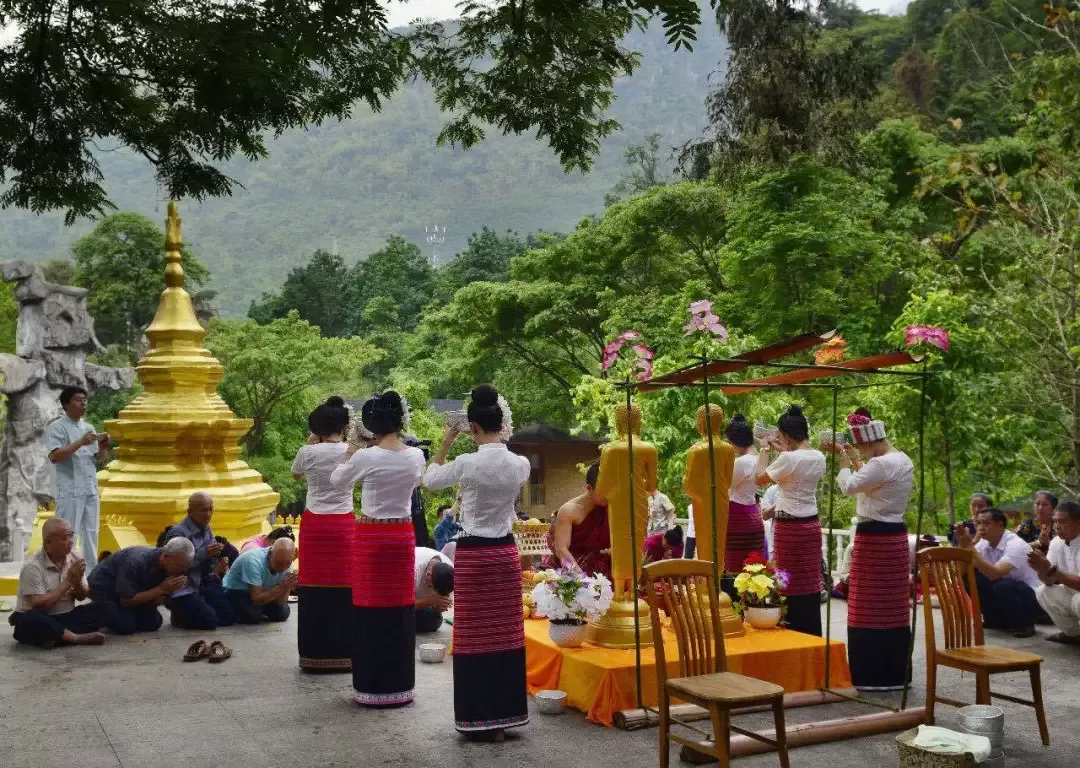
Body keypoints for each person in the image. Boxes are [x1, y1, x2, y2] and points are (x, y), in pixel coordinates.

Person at [424, 383, 531, 740]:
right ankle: (505, 714)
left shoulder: (467, 463)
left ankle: (479, 717)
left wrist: (446, 440)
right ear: (502, 424)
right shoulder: (521, 464)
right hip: (504, 555)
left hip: (472, 556)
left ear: (471, 427)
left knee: (474, 636)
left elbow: (429, 480)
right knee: (505, 634)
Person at [330, 391, 425, 708]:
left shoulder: (365, 457)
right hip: (401, 535)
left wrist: (354, 449)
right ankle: (400, 685)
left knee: (369, 607)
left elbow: (336, 482)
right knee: (399, 607)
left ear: (372, 426)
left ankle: (372, 685)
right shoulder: (415, 456)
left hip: (371, 536)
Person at [835, 409, 915, 691]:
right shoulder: (901, 458)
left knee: (866, 604)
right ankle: (894, 673)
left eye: (860, 448)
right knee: (891, 606)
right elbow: (873, 481)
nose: (860, 452)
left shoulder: (881, 464)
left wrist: (844, 464)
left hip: (875, 537)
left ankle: (871, 675)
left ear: (870, 443)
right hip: (893, 535)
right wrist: (858, 460)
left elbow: (850, 486)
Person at [290, 396, 355, 672]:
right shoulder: (352, 453)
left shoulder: (308, 452)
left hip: (315, 524)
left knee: (314, 586)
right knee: (344, 585)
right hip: (343, 525)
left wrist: (310, 442)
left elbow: (295, 475)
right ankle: (345, 651)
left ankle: (314, 654)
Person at [755, 405, 826, 636]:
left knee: (787, 582)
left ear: (785, 435)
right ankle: (811, 631)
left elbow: (760, 479)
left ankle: (790, 629)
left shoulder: (787, 457)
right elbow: (794, 470)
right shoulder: (818, 456)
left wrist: (765, 449)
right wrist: (782, 450)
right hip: (811, 525)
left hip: (789, 528)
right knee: (809, 582)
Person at [9, 518, 105, 647]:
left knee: (103, 608)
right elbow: (39, 605)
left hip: (66, 617)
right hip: (40, 617)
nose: (70, 541)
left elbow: (82, 596)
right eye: (65, 537)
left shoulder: (75, 558)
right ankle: (75, 638)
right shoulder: (32, 567)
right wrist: (68, 581)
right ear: (48, 543)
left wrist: (77, 584)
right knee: (30, 620)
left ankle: (55, 637)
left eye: (71, 535)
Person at [45, 386, 111, 567]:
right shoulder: (57, 427)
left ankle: (89, 577)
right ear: (66, 404)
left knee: (91, 532)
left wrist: (104, 447)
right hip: (70, 490)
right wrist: (81, 442)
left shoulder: (88, 427)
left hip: (90, 488)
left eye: (85, 399)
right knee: (67, 534)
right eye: (78, 400)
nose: (83, 403)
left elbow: (98, 459)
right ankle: (65, 573)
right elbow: (55, 456)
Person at [956, 507, 1045, 638]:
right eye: (979, 523)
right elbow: (961, 571)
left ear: (1000, 525)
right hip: (1009, 590)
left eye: (986, 524)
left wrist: (970, 548)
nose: (981, 528)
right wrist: (963, 547)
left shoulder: (1015, 544)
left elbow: (994, 574)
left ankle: (1024, 624)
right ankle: (994, 620)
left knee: (1003, 584)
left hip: (1034, 598)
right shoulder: (984, 543)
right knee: (971, 578)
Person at [160, 492, 235, 631]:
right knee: (209, 621)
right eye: (203, 510)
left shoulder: (206, 528)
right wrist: (204, 553)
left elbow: (209, 563)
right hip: (183, 589)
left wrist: (218, 565)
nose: (208, 514)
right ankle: (179, 615)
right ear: (190, 512)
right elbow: (172, 567)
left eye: (210, 509)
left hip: (202, 584)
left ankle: (200, 606)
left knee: (227, 617)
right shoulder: (178, 532)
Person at [88, 539, 193, 635]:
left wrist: (168, 593)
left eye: (185, 566)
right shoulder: (136, 561)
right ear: (165, 557)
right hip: (104, 588)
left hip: (132, 592)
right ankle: (95, 610)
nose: (182, 570)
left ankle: (122, 613)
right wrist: (161, 589)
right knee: (126, 626)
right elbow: (125, 600)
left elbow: (155, 600)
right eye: (180, 566)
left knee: (154, 622)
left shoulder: (170, 567)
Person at [544, 462, 611, 579]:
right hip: (575, 568)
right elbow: (561, 549)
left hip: (607, 571)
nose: (608, 495)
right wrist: (581, 578)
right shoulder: (569, 510)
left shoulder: (612, 507)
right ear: (589, 488)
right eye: (603, 491)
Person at [1028, 500, 1080, 645]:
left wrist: (1050, 569)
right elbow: (1049, 580)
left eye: (1062, 521)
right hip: (1071, 589)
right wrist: (1041, 568)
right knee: (1043, 591)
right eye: (1055, 521)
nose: (1057, 526)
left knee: (1078, 600)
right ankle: (1073, 634)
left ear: (1078, 523)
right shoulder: (1057, 542)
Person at [724, 414, 767, 574]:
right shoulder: (760, 459)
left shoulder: (741, 462)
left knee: (735, 569)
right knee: (753, 569)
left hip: (738, 519)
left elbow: (725, 485)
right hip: (753, 515)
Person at [222, 538, 297, 624]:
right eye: (279, 563)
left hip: (264, 590)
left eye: (288, 563)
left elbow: (280, 602)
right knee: (253, 616)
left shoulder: (287, 563)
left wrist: (286, 588)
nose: (283, 568)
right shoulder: (253, 561)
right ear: (270, 553)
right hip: (237, 590)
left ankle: (261, 610)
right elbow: (256, 600)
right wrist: (281, 587)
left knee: (282, 614)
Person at [415, 546, 454, 632]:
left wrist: (438, 607)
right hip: (394, 603)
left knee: (435, 620)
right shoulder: (414, 570)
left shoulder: (450, 570)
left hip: (419, 607)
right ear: (427, 575)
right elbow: (403, 605)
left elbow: (436, 609)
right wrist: (431, 601)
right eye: (431, 587)